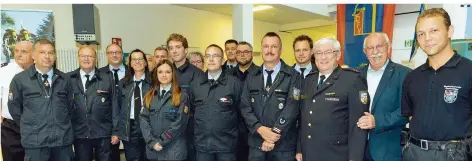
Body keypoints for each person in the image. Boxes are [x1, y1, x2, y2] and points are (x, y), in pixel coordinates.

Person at [401, 8, 472, 161]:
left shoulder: (468, 71)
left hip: (453, 155)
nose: (427, 38)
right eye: (421, 33)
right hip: (413, 152)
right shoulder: (412, 77)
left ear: (450, 31)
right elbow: (411, 116)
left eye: (433, 30)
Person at [296, 37, 368, 161]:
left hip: (336, 154)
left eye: (328, 52)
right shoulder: (308, 80)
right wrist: (299, 149)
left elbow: (358, 125)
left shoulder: (352, 80)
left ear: (338, 55)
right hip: (309, 153)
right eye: (319, 53)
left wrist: (355, 157)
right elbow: (303, 119)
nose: (323, 57)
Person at [8, 38, 74, 161]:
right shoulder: (20, 80)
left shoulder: (65, 79)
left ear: (55, 56)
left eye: (50, 53)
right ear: (33, 55)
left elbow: (70, 107)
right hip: (35, 143)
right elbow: (15, 109)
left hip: (62, 142)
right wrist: (30, 126)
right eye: (42, 52)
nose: (47, 56)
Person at [240, 32, 300, 161]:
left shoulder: (293, 75)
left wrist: (274, 134)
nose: (269, 50)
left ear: (280, 49)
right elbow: (245, 107)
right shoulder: (251, 76)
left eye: (274, 46)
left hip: (283, 146)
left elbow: (292, 108)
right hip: (257, 144)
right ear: (261, 49)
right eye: (266, 46)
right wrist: (260, 129)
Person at [357, 32, 410, 161]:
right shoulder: (356, 75)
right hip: (357, 150)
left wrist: (377, 121)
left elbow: (407, 112)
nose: (375, 51)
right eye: (370, 48)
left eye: (379, 46)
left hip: (386, 151)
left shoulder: (405, 74)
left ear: (388, 47)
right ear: (365, 51)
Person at [190, 44, 242, 161]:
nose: (211, 59)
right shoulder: (195, 84)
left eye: (215, 56)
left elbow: (242, 113)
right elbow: (192, 111)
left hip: (227, 147)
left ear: (223, 60)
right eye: (208, 56)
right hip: (202, 147)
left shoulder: (234, 84)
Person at [68, 46, 119, 161]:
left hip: (103, 133)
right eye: (83, 56)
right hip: (80, 133)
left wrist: (115, 131)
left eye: (90, 56)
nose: (86, 59)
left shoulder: (107, 78)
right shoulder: (69, 79)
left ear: (96, 59)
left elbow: (114, 106)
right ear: (78, 58)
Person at [140, 60, 190, 161]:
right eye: (160, 72)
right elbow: (143, 120)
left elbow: (180, 123)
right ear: (156, 75)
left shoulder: (182, 95)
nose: (164, 75)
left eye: (167, 72)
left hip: (173, 150)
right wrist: (152, 142)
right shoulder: (149, 95)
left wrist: (161, 141)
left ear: (173, 74)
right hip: (153, 149)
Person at [167, 33, 204, 161]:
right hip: (168, 127)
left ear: (186, 50)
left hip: (190, 129)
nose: (174, 51)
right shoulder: (165, 71)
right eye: (171, 48)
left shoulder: (197, 74)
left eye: (178, 47)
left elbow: (201, 104)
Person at [226, 41, 260, 161]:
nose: (242, 55)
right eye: (239, 52)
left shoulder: (260, 73)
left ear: (251, 54)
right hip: (232, 130)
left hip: (254, 128)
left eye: (246, 52)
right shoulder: (227, 74)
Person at [0, 40, 33, 161]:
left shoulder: (41, 72)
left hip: (35, 127)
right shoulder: (3, 71)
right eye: (16, 51)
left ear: (33, 54)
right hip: (11, 128)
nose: (19, 54)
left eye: (24, 51)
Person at [117, 49, 151, 161]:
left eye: (140, 59)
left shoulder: (154, 82)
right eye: (134, 59)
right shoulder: (123, 83)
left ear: (145, 62)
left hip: (149, 127)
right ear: (130, 63)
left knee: (149, 157)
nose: (137, 62)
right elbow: (117, 107)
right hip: (130, 128)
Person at [99, 43, 125, 160]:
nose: (114, 55)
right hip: (108, 121)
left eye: (117, 52)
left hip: (129, 120)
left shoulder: (132, 72)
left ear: (122, 55)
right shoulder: (99, 74)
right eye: (111, 52)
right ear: (106, 55)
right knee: (111, 155)